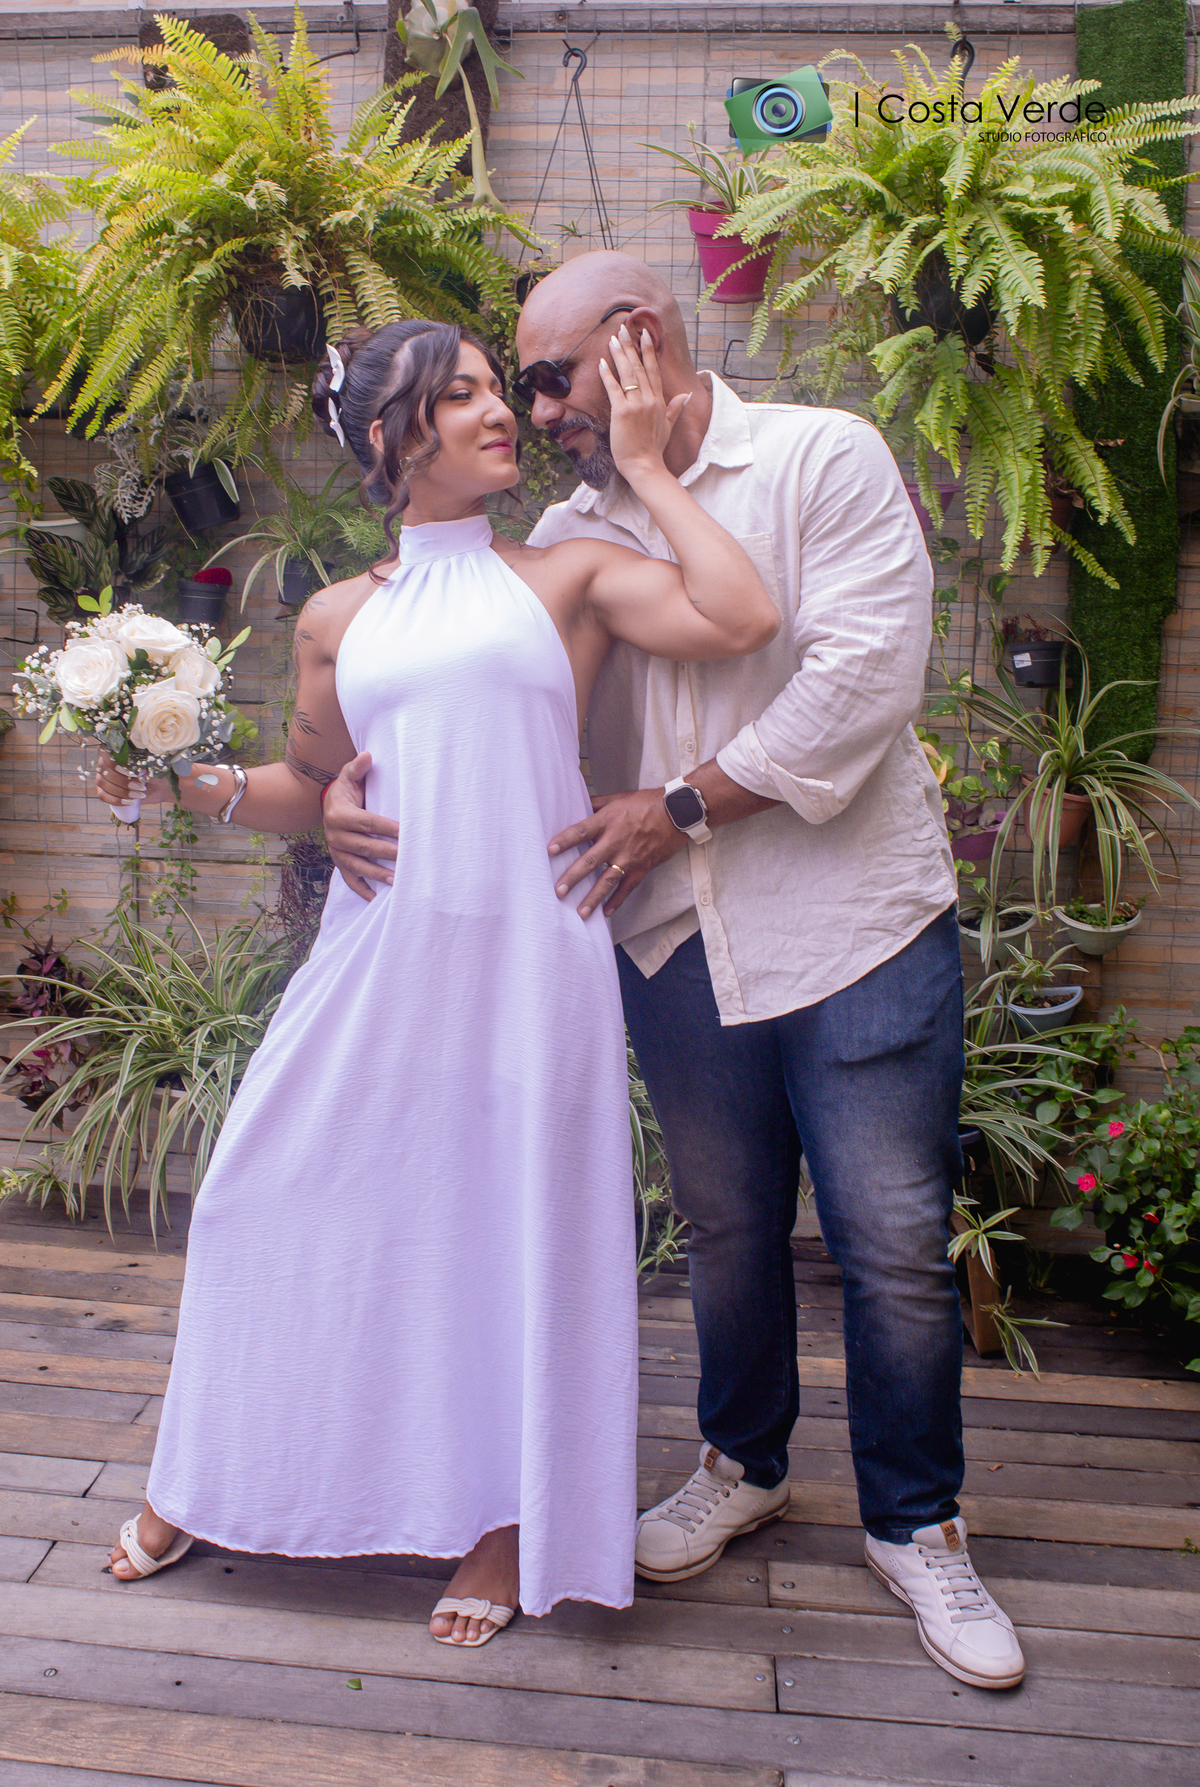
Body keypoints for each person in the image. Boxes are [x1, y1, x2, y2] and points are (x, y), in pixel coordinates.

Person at [322, 253, 1028, 1692]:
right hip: (670, 938)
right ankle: (741, 1465)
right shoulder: (566, 535)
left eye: (547, 379)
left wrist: (683, 804)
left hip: (851, 919)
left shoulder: (823, 458)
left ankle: (918, 1525)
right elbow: (504, 729)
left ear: (638, 341)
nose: (534, 412)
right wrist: (346, 787)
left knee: (893, 1240)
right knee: (722, 1227)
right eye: (513, 388)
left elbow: (861, 684)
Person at [96, 314, 778, 1646]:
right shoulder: (337, 616)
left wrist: (646, 467)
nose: (498, 410)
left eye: (493, 388)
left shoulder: (570, 575)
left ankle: (504, 1523)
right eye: (460, 395)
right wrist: (181, 778)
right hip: (378, 953)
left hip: (531, 956)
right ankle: (202, 1475)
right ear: (389, 435)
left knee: (507, 1233)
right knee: (252, 1198)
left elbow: (740, 615)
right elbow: (311, 781)